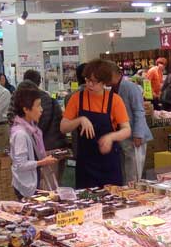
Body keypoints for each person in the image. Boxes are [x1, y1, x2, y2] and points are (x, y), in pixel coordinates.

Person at [60, 59, 132, 188]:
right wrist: (80, 120)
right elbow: (63, 127)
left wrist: (111, 137)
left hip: (109, 162)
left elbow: (126, 130)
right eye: (87, 80)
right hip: (85, 163)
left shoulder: (115, 100)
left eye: (94, 81)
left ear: (104, 81)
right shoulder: (77, 98)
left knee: (112, 201)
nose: (89, 84)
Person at [9, 84, 59, 198]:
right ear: (26, 109)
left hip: (31, 182)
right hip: (25, 185)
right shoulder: (21, 134)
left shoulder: (32, 129)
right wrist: (41, 162)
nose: (41, 109)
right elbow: (20, 164)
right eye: (38, 105)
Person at [109, 63, 153, 184]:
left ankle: (134, 195)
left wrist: (138, 134)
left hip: (134, 135)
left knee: (134, 172)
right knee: (124, 171)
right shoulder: (111, 89)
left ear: (118, 74)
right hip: (121, 135)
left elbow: (139, 111)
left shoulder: (130, 87)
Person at [22, 70, 66, 150]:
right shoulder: (47, 98)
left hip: (44, 146)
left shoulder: (36, 99)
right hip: (53, 144)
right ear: (40, 81)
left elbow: (39, 125)